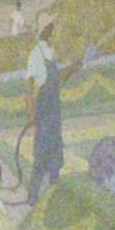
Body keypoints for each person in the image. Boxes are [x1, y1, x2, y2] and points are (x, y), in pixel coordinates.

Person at [23, 11, 81, 206]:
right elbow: (29, 85)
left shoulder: (51, 51)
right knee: (41, 152)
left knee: (55, 151)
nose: (53, 29)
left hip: (54, 108)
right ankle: (32, 197)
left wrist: (71, 69)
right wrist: (31, 113)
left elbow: (55, 79)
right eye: (51, 26)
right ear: (44, 29)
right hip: (43, 108)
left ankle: (53, 193)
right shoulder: (36, 54)